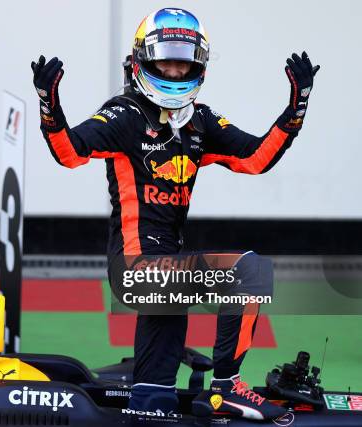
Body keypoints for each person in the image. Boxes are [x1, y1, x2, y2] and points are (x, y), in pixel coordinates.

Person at [31, 7, 318, 422]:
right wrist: (49, 107)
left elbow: (255, 158)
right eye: (166, 60)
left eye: (183, 62)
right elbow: (70, 152)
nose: (174, 69)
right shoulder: (124, 114)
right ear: (142, 61)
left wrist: (296, 109)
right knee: (248, 272)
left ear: (197, 65)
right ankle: (227, 389)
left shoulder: (200, 121)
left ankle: (152, 400)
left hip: (168, 277)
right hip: (135, 268)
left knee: (154, 404)